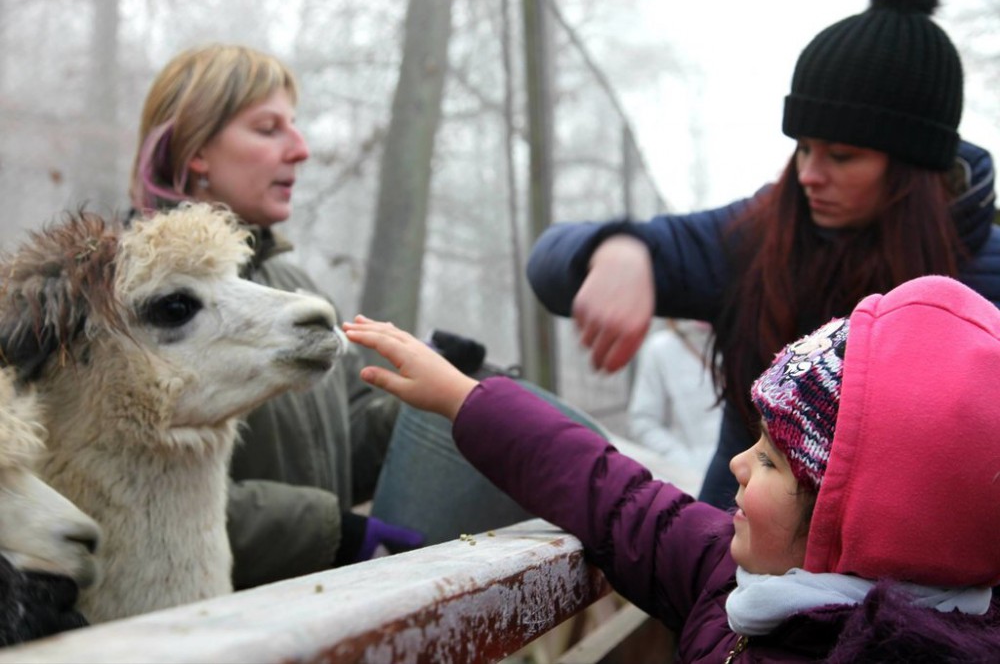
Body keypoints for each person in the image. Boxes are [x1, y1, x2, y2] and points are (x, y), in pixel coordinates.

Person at [344, 275, 1000, 661]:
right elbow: (621, 500)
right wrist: (464, 399)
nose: (738, 463)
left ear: (851, 526)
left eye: (770, 459)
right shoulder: (738, 575)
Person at [525, 0, 1000, 508]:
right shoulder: (759, 236)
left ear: (914, 167)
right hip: (729, 549)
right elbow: (548, 264)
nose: (809, 175)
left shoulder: (984, 279)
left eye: (841, 156)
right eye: (804, 147)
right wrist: (618, 250)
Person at [128, 44, 422, 588]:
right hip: (201, 620)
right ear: (196, 149)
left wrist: (432, 402)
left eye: (295, 125)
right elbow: (119, 487)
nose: (301, 149)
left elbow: (341, 446)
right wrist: (325, 534)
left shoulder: (296, 288)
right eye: (268, 129)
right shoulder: (132, 302)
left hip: (316, 611)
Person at [626, 320, 719, 489]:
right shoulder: (660, 348)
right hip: (691, 480)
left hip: (743, 472)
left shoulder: (742, 340)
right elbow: (643, 420)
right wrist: (685, 462)